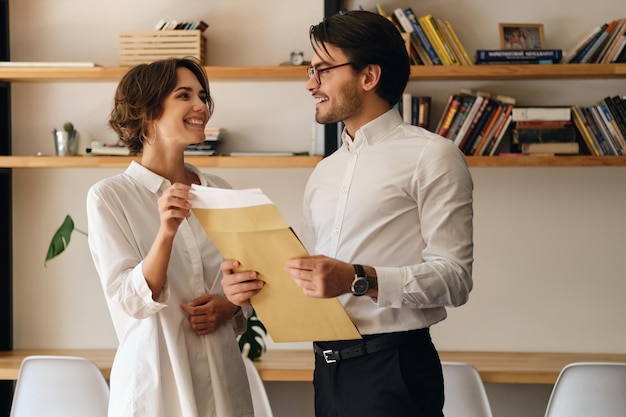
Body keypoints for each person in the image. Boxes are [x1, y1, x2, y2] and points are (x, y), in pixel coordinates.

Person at [222, 10, 473, 417]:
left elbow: (455, 279)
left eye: (322, 70)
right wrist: (247, 295)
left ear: (369, 76)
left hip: (395, 367)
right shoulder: (325, 172)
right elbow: (311, 278)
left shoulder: (433, 156)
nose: (310, 84)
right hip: (327, 368)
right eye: (310, 70)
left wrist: (358, 279)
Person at [86, 57, 254, 417]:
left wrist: (231, 305)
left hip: (223, 380)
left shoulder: (219, 191)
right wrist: (166, 232)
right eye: (184, 95)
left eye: (202, 95)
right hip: (156, 387)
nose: (201, 106)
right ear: (148, 111)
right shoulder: (109, 197)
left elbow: (246, 282)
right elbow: (129, 301)